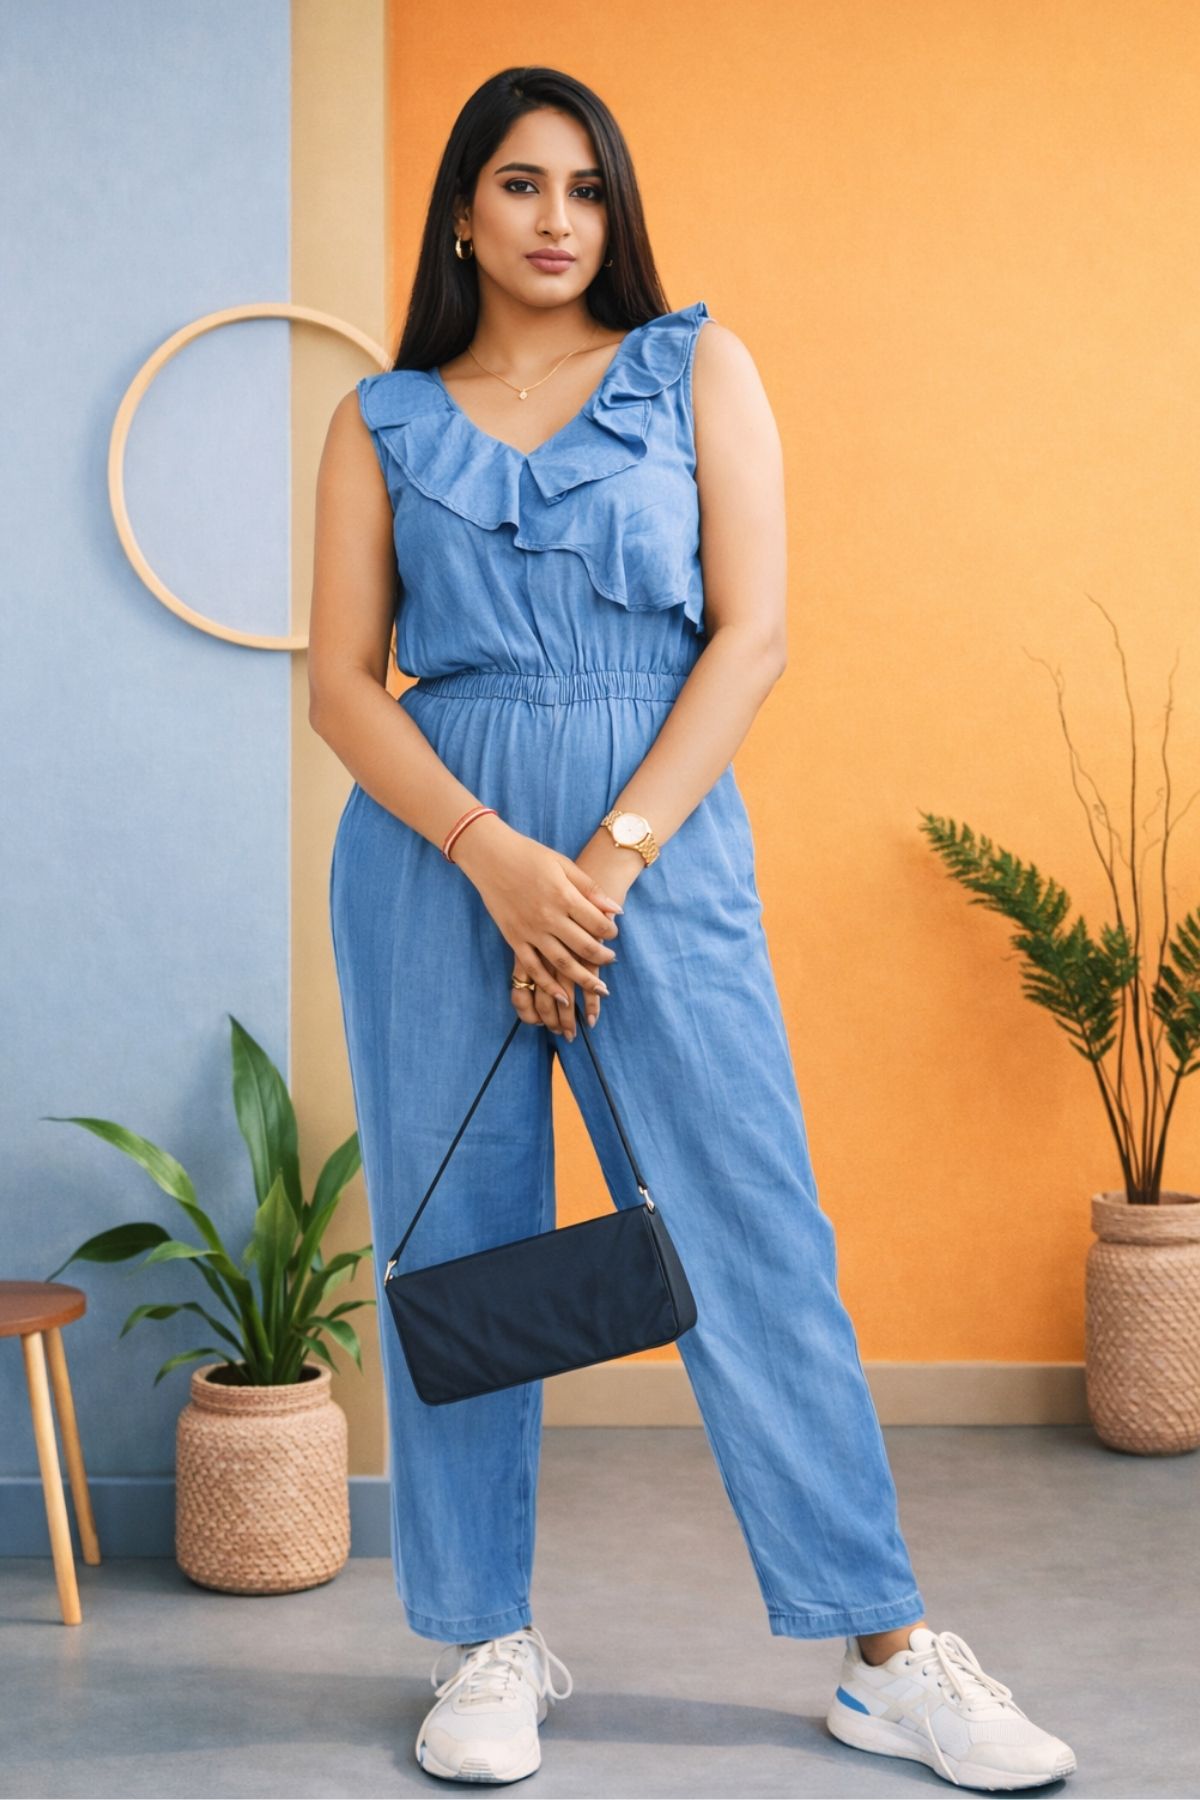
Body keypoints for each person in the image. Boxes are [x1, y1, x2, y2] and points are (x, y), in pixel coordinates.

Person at [308, 63, 1077, 1794]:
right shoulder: (379, 419)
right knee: (467, 1245)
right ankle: (482, 1641)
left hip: (652, 838)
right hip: (438, 850)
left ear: (616, 210)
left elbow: (754, 636)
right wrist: (500, 858)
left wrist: (609, 861)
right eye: (519, 185)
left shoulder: (693, 369)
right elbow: (344, 689)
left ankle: (886, 1651)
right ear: (462, 211)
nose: (558, 218)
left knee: (747, 1221)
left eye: (585, 187)